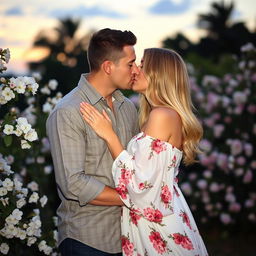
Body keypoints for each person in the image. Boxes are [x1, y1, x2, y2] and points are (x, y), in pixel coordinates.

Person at [80, 48, 209, 255]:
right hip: (161, 218)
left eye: (142, 65)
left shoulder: (162, 115)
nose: (135, 71)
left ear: (159, 74)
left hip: (159, 226)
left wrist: (109, 135)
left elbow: (140, 187)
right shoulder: (162, 115)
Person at [46, 28, 139, 256]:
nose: (136, 70)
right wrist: (136, 199)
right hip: (86, 241)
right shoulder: (68, 111)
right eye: (130, 64)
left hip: (130, 237)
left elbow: (136, 165)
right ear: (108, 67)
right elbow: (73, 184)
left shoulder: (128, 107)